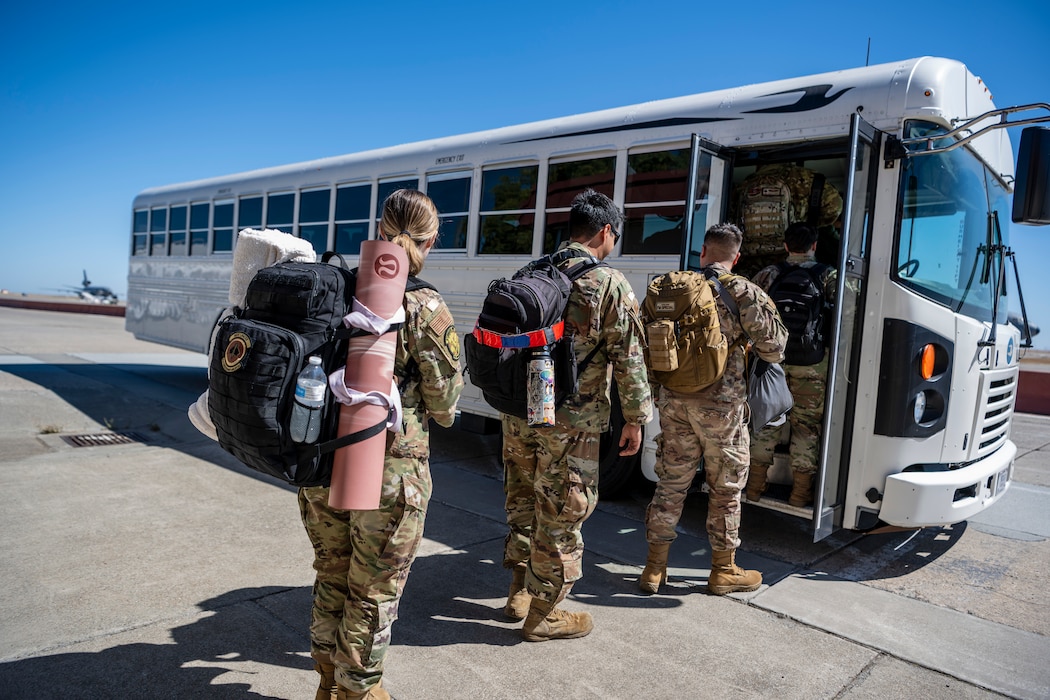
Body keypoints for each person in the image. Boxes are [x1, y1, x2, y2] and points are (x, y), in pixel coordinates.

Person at [298, 189, 464, 700]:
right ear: (431, 240)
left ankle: (329, 682)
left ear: (378, 225)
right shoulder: (424, 304)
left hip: (322, 461)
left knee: (332, 572)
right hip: (391, 468)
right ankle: (359, 692)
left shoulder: (336, 289)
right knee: (373, 589)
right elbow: (444, 405)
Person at [502, 188, 652, 641]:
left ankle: (519, 591)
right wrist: (636, 417)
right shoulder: (607, 282)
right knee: (564, 509)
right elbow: (629, 357)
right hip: (572, 420)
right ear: (605, 231)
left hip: (522, 409)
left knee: (524, 498)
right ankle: (545, 611)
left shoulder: (533, 270)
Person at [639, 223, 786, 596]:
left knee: (670, 482)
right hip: (722, 408)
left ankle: (654, 569)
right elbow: (774, 349)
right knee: (725, 488)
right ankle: (723, 570)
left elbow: (644, 341)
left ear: (702, 252)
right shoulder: (743, 290)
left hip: (673, 401)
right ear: (736, 257)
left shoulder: (671, 288)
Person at [749, 222, 836, 507]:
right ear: (814, 246)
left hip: (773, 361)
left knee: (766, 421)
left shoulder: (767, 275)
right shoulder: (829, 276)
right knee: (806, 427)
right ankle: (799, 496)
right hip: (812, 365)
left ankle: (753, 489)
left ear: (785, 246)